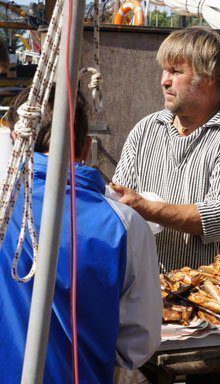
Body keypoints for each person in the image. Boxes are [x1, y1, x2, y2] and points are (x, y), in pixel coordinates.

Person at [0, 87, 162, 383]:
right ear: (87, 147)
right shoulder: (125, 224)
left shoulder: (4, 208)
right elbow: (139, 341)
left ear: (15, 140)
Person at [111, 26, 220, 271]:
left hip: (216, 291)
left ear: (208, 77)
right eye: (164, 70)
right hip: (150, 285)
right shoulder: (146, 129)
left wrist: (147, 208)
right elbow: (120, 201)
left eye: (176, 71)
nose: (164, 80)